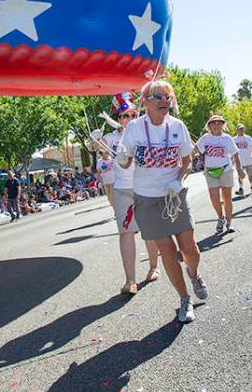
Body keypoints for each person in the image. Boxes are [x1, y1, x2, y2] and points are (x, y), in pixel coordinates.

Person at [118, 79, 206, 323]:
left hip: (174, 195)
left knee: (190, 248)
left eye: (168, 97)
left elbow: (187, 161)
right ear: (145, 102)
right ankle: (184, 299)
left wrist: (178, 179)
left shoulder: (178, 126)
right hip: (146, 199)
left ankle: (194, 273)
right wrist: (122, 159)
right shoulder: (134, 129)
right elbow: (125, 162)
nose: (164, 101)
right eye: (158, 96)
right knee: (166, 251)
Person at [98, 93, 161, 295]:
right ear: (118, 119)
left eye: (132, 115)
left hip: (144, 188)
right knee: (125, 233)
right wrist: (95, 141)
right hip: (121, 190)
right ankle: (130, 280)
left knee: (149, 231)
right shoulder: (110, 138)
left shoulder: (146, 133)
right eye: (124, 116)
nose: (129, 119)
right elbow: (101, 150)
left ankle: (153, 267)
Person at [196, 115, 242, 234]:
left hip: (226, 170)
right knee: (214, 197)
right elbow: (196, 149)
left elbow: (235, 154)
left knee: (227, 197)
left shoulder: (226, 138)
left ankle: (229, 222)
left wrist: (239, 169)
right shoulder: (205, 138)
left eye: (219, 123)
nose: (216, 125)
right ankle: (220, 217)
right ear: (209, 126)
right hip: (210, 171)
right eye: (213, 123)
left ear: (223, 125)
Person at [233, 124, 252, 194]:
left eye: (242, 129)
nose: (241, 130)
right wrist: (232, 160)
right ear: (237, 130)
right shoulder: (234, 140)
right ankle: (241, 188)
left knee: (250, 175)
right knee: (240, 175)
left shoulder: (248, 138)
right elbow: (232, 150)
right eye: (240, 129)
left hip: (249, 160)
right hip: (239, 161)